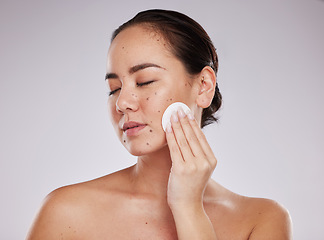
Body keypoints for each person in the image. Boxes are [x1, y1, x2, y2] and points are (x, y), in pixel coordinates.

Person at [26, 9, 292, 239]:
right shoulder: (66, 213)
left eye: (144, 81)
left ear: (204, 86)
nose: (122, 103)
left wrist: (188, 207)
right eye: (114, 88)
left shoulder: (262, 221)